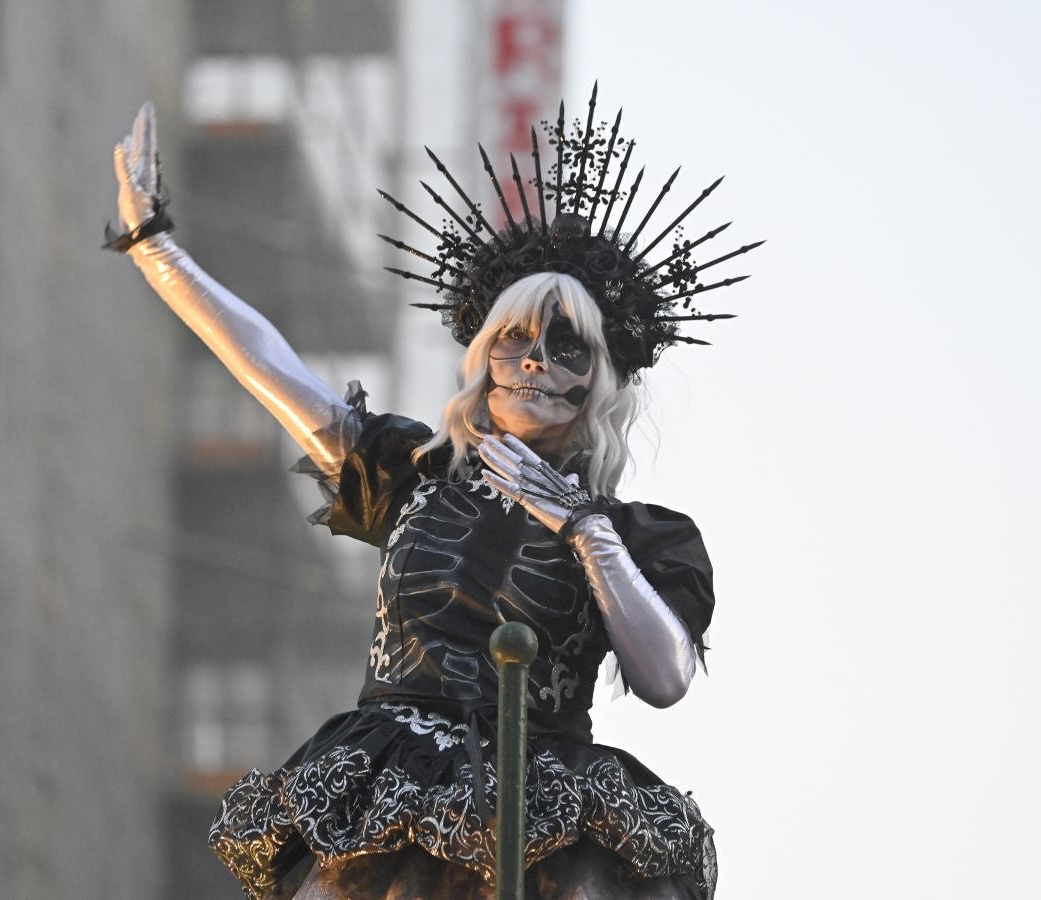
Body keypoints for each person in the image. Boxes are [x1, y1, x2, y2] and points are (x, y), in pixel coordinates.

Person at [109, 91, 755, 898]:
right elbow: (270, 370)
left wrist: (583, 528)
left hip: (548, 783)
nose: (534, 363)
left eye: (565, 347)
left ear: (598, 380)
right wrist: (153, 247)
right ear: (484, 358)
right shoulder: (412, 469)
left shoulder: (645, 537)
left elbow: (663, 680)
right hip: (386, 770)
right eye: (513, 339)